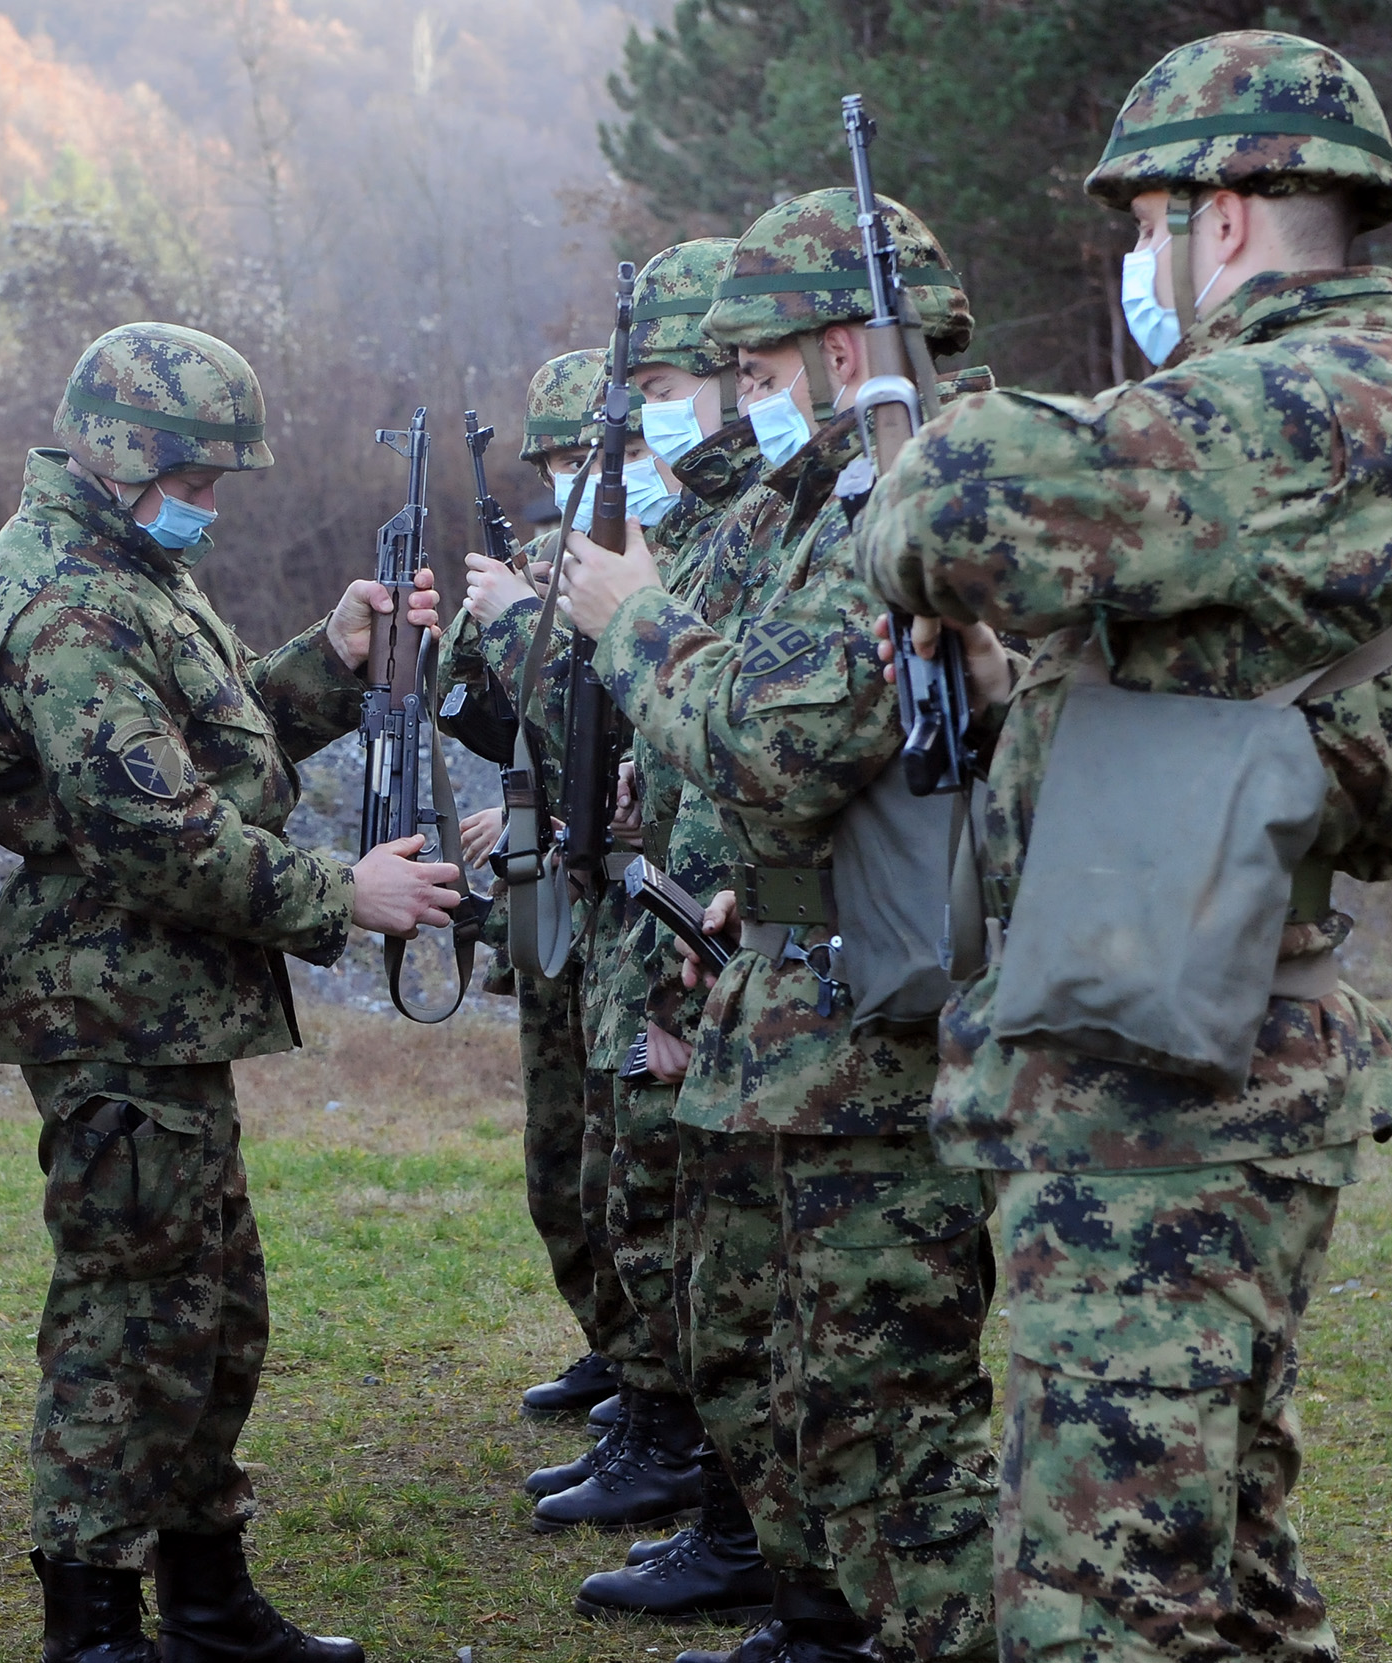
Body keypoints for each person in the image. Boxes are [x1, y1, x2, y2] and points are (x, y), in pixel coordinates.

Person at [854, 31, 1392, 1662]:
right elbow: (1202, 664)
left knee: (1105, 1604)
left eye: (1147, 223)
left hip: (1171, 1096)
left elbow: (951, 503)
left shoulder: (1307, 408)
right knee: (1224, 1574)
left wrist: (913, 448)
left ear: (1236, 213)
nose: (1141, 262)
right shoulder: (1328, 413)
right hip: (1185, 1041)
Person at [0, 321, 462, 1663]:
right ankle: (97, 1621)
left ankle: (210, 1598)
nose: (212, 503)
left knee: (210, 1310)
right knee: (130, 1320)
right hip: (110, 1003)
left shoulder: (126, 570)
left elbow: (206, 754)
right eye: (200, 476)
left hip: (159, 1002)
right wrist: (342, 893)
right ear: (125, 457)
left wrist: (331, 661)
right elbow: (151, 832)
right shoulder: (71, 599)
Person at [562, 187, 1002, 1663]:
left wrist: (631, 616)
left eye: (754, 374)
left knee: (894, 1414)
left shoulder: (919, 488)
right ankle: (836, 1625)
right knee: (821, 1381)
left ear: (834, 344)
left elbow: (785, 734)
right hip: (830, 982)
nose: (744, 408)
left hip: (899, 1014)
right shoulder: (858, 487)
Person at [565, 237, 785, 1624]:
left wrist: (622, 625)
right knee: (696, 1246)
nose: (660, 415)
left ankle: (755, 1533)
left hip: (762, 944)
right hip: (702, 918)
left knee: (749, 1271)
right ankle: (725, 1506)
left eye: (679, 382)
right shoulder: (735, 521)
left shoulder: (766, 521)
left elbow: (765, 737)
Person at [453, 352, 703, 1531]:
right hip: (608, 902)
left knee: (649, 1194)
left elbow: (622, 717)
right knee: (590, 1178)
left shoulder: (685, 549)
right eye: (551, 458)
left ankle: (679, 1435)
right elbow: (571, 738)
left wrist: (519, 634)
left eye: (583, 454)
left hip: (669, 916)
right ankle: (643, 1391)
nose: (569, 477)